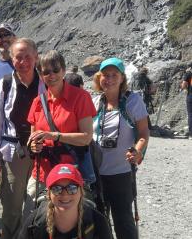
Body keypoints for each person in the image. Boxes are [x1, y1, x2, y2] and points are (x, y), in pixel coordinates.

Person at [0, 38, 45, 239]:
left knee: (35, 206)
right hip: (13, 155)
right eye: (18, 57)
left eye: (28, 56)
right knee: (11, 209)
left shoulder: (46, 84)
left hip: (43, 154)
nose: (23, 61)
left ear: (36, 57)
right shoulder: (3, 86)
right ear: (12, 60)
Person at [26, 50, 96, 209]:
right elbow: (32, 138)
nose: (51, 75)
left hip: (70, 175)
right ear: (40, 75)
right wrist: (33, 145)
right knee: (34, 221)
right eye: (46, 72)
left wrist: (54, 136)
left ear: (64, 70)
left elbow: (86, 137)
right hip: (42, 174)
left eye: (55, 70)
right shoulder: (38, 102)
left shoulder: (80, 97)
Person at [92, 57, 149, 239]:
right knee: (99, 222)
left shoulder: (133, 101)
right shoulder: (95, 102)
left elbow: (143, 133)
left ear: (122, 78)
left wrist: (138, 150)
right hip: (96, 174)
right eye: (105, 75)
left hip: (122, 172)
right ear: (99, 78)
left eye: (114, 75)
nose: (109, 79)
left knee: (123, 221)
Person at [19, 164, 112, 239]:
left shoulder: (96, 221)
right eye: (56, 189)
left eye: (72, 188)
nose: (65, 194)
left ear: (81, 192)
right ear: (49, 194)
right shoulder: (36, 222)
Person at [181, 67, 192, 139]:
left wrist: (184, 89)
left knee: (191, 114)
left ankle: (191, 134)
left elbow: (184, 84)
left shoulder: (188, 74)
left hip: (191, 95)